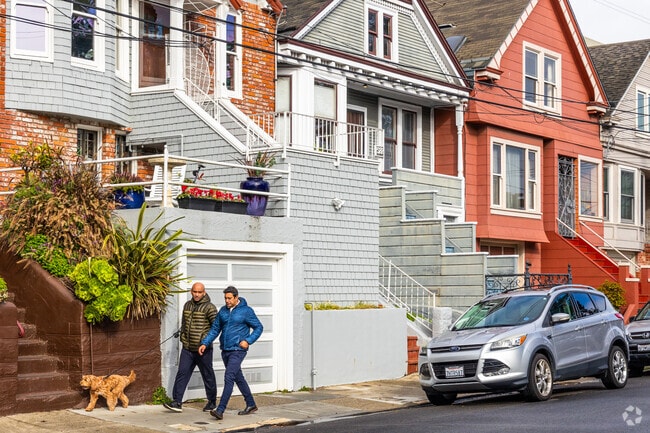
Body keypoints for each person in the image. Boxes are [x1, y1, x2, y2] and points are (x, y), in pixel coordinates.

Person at [198, 285, 263, 420]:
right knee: (238, 377)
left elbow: (258, 327)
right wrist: (205, 343)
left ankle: (220, 410)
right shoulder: (223, 311)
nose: (227, 301)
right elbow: (215, 329)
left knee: (229, 377)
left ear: (236, 297)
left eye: (229, 298)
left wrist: (248, 340)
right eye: (225, 298)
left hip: (238, 350)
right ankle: (251, 404)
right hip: (225, 350)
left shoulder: (246, 311)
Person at [163, 282, 218, 413]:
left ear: (204, 292)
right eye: (195, 292)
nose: (197, 294)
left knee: (207, 375)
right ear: (191, 292)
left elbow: (215, 327)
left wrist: (205, 342)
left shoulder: (210, 307)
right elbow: (184, 323)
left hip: (202, 349)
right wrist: (182, 337)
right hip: (187, 348)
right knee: (182, 373)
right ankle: (177, 402)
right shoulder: (187, 305)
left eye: (199, 292)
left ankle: (212, 402)